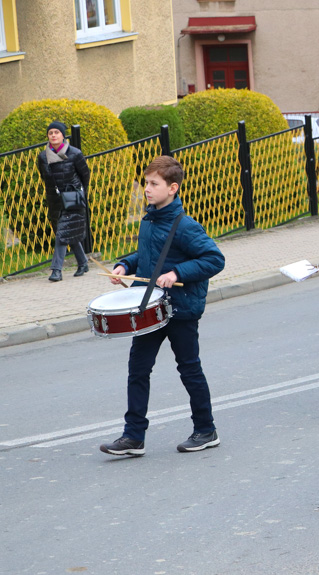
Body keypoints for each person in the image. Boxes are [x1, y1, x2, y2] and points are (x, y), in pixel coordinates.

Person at [99, 156, 226, 456]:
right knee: (138, 369)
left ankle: (206, 430)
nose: (147, 189)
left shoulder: (185, 226)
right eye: (145, 183)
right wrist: (123, 265)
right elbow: (147, 254)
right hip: (150, 307)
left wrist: (177, 273)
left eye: (153, 184)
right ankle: (133, 437)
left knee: (189, 369)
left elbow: (214, 259)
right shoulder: (149, 219)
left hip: (180, 309)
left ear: (172, 188)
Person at [37, 121, 90, 282]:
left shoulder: (75, 153)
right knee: (67, 231)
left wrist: (79, 192)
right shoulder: (42, 156)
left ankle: (56, 270)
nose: (53, 135)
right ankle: (83, 262)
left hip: (72, 198)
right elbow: (44, 177)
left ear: (62, 135)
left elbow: (85, 175)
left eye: (56, 132)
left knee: (62, 233)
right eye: (50, 132)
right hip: (55, 200)